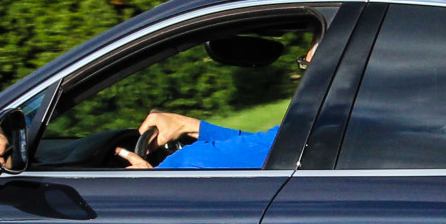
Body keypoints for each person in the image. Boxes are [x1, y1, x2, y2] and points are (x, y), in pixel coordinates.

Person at [116, 35, 319, 171]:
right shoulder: (333, 125)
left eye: (310, 66)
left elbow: (195, 161)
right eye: (305, 65)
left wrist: (153, 178)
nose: (305, 75)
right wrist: (190, 126)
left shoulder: (328, 124)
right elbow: (276, 147)